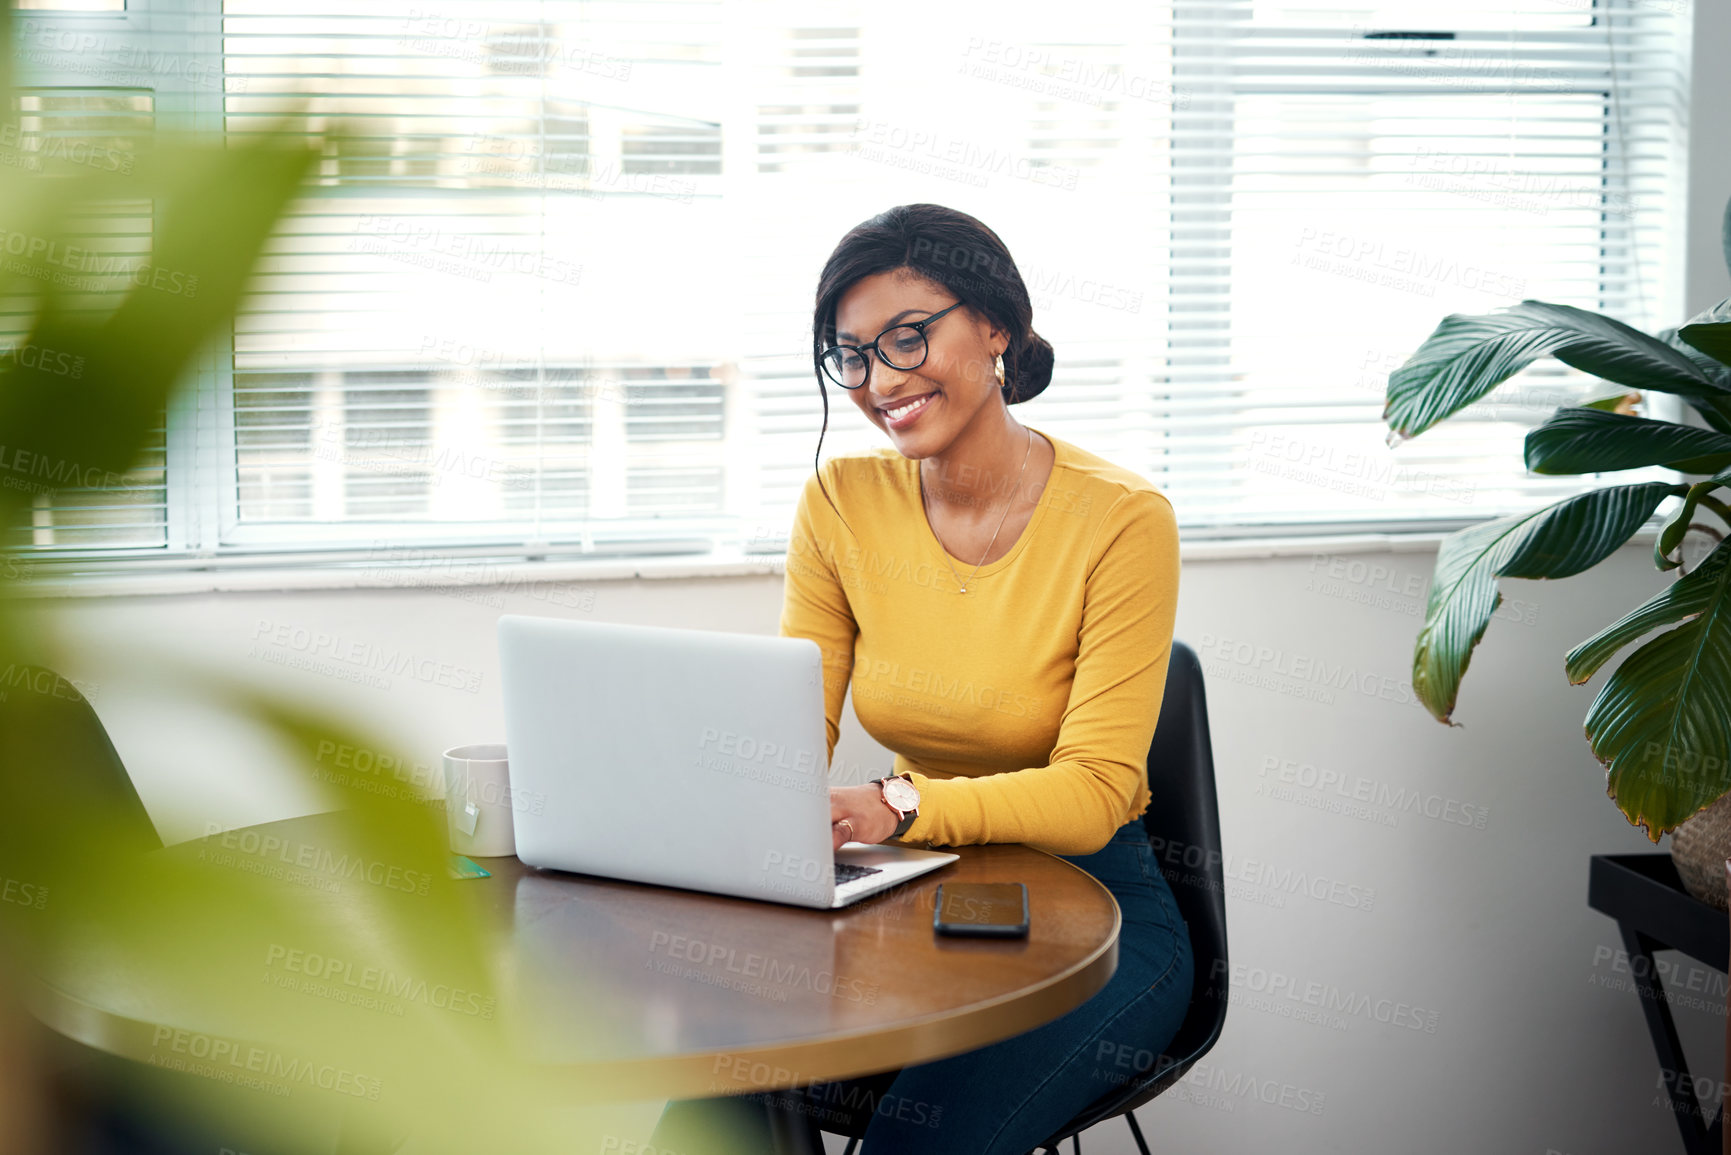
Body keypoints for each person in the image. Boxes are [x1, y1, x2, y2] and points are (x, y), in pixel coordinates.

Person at [653, 202, 1192, 1154]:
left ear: (996, 328)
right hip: (909, 899)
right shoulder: (840, 501)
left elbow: (1096, 793)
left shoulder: (1121, 518)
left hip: (1097, 918)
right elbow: (790, 735)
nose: (879, 379)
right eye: (853, 355)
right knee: (716, 1075)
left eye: (909, 337)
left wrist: (896, 803)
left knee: (922, 1138)